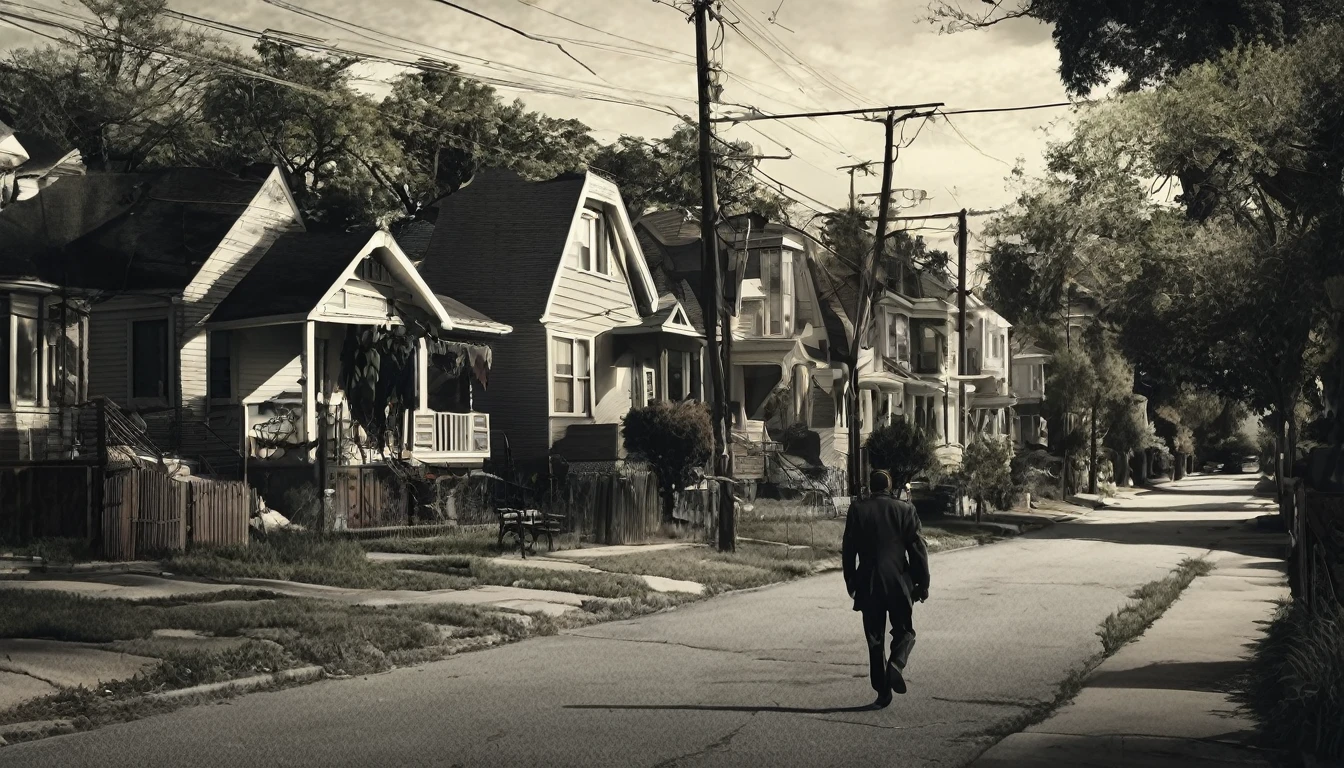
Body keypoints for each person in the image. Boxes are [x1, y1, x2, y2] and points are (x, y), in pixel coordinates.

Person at [842, 469, 930, 709]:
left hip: (868, 582)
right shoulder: (905, 510)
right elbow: (917, 549)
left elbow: (848, 550)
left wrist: (851, 582)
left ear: (871, 487)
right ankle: (897, 663)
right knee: (905, 631)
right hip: (898, 581)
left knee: (874, 638)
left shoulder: (857, 510)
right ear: (890, 487)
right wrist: (923, 583)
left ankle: (882, 692)